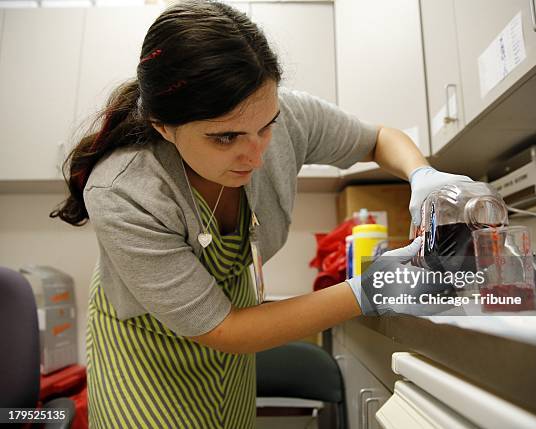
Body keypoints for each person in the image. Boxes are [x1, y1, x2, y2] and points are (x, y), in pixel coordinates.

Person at [51, 1, 472, 428]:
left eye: (266, 126)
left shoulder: (287, 117)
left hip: (233, 360)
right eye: (225, 137)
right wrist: (371, 289)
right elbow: (225, 329)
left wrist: (424, 176)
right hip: (146, 361)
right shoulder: (125, 190)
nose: (256, 154)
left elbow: (380, 138)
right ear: (163, 125)